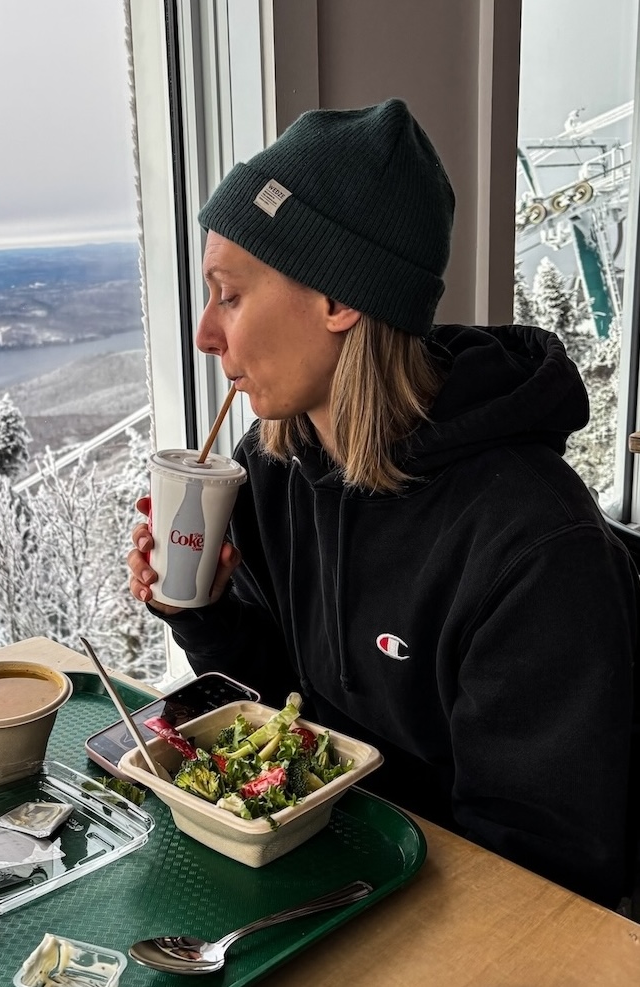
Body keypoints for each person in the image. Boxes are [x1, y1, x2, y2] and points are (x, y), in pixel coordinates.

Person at [127, 98, 639, 909]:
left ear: (338, 299)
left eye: (228, 294)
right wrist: (207, 610)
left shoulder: (538, 550)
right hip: (328, 874)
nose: (204, 333)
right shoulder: (274, 465)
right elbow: (281, 712)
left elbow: (544, 883)